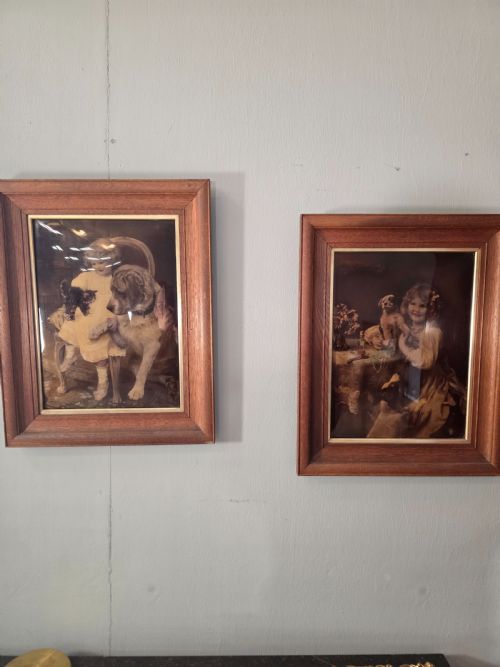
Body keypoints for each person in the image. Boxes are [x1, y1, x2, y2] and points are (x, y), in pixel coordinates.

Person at [57, 238, 126, 400]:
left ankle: (103, 382)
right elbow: (75, 292)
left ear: (112, 260)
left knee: (98, 343)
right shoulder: (87, 277)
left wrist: (114, 318)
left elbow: (121, 301)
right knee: (71, 323)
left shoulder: (116, 280)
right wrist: (72, 303)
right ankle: (70, 354)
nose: (98, 266)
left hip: (106, 315)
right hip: (87, 312)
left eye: (102, 262)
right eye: (94, 263)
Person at [398, 283, 466, 437]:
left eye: (422, 306)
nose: (416, 309)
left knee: (423, 414)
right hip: (413, 378)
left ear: (432, 309)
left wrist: (403, 347)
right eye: (413, 303)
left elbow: (426, 362)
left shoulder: (433, 332)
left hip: (430, 383)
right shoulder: (412, 328)